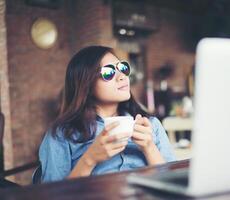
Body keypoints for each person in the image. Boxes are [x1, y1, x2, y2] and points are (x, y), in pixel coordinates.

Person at [38, 46, 176, 182]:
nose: (122, 76)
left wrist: (149, 147)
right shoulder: (61, 134)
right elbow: (52, 194)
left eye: (122, 68)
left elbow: (174, 182)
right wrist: (89, 160)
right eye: (108, 72)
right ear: (87, 85)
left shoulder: (150, 124)